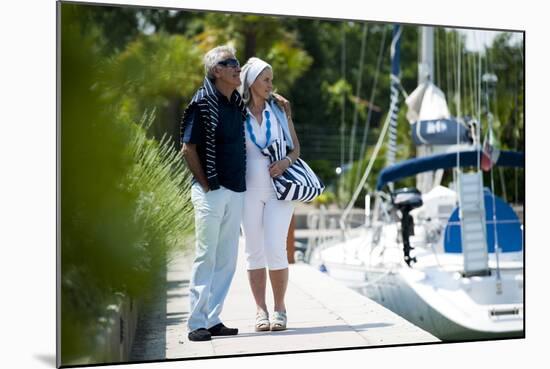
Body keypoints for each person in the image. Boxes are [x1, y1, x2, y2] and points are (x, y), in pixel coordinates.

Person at [180, 45, 247, 342]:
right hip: (211, 191)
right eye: (229, 63)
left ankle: (213, 318)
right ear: (215, 70)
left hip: (236, 190)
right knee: (206, 256)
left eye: (238, 62)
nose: (237, 67)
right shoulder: (202, 103)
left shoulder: (236, 103)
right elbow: (188, 149)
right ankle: (196, 323)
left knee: (228, 259)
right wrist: (206, 184)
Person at [238, 57, 301, 332]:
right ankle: (260, 310)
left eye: (271, 80)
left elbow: (295, 149)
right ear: (251, 82)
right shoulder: (237, 113)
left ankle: (280, 308)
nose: (270, 85)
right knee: (254, 251)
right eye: (265, 80)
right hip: (248, 190)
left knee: (276, 248)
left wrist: (285, 163)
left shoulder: (279, 110)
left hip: (280, 190)